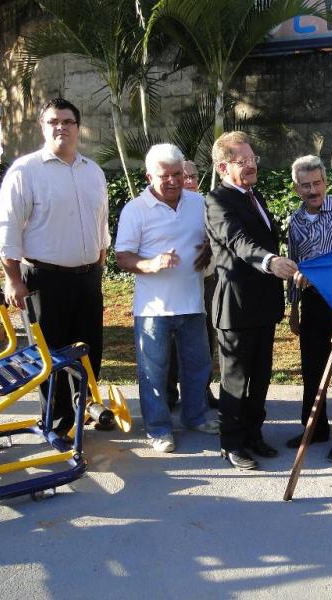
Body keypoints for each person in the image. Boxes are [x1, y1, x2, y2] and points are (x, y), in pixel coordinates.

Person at [0, 97, 110, 435]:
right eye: (53, 122)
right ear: (42, 128)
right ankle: (56, 426)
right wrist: (12, 279)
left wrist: (99, 264)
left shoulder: (93, 171)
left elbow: (101, 224)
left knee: (88, 351)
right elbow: (7, 229)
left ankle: (83, 413)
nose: (61, 127)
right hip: (43, 280)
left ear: (78, 127)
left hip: (87, 279)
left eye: (67, 121)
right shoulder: (25, 170)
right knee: (51, 356)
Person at [115, 144, 218, 453]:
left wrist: (209, 250)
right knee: (154, 372)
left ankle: (195, 417)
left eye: (178, 174)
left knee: (198, 366)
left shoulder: (198, 202)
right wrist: (151, 264)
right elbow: (122, 257)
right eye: (165, 176)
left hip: (193, 302)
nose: (173, 181)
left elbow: (214, 237)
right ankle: (158, 428)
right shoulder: (135, 209)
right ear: (149, 177)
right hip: (153, 308)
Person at [205, 131, 298, 470]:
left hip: (263, 304)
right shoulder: (217, 201)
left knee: (260, 377)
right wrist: (270, 262)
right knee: (236, 380)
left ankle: (254, 434)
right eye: (241, 161)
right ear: (223, 167)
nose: (250, 165)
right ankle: (231, 443)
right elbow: (238, 241)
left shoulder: (253, 196)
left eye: (252, 158)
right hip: (236, 306)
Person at [286, 155, 332, 463]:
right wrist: (293, 308)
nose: (313, 190)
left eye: (317, 183)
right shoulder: (294, 220)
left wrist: (316, 273)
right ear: (296, 188)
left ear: (325, 182)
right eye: (306, 185)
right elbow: (294, 264)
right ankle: (314, 428)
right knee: (312, 366)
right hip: (313, 301)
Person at [165, 159, 220, 409]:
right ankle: (168, 393)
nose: (188, 181)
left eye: (192, 176)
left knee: (205, 339)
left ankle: (201, 391)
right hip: (172, 285)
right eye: (182, 176)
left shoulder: (207, 205)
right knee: (170, 340)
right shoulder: (163, 207)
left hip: (204, 282)